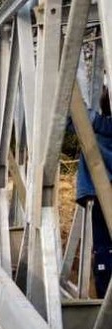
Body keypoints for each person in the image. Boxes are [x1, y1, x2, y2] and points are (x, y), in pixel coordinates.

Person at [75, 87, 112, 297]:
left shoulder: (95, 127)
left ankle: (104, 294)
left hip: (97, 195)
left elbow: (69, 118)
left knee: (102, 246)